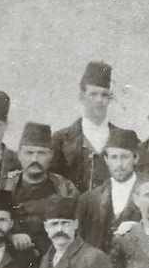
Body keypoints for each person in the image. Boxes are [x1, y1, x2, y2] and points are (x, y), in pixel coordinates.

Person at [0, 121, 79, 264]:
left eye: (41, 153)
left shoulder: (65, 188)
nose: (34, 159)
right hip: (12, 261)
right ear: (19, 155)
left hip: (55, 260)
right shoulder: (5, 186)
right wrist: (10, 236)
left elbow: (80, 226)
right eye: (29, 153)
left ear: (51, 156)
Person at [51, 60, 125, 192]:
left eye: (104, 95)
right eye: (93, 94)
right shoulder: (60, 140)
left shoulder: (123, 139)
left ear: (110, 99)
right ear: (82, 97)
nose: (99, 100)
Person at [74, 127, 142, 253]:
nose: (119, 164)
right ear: (106, 160)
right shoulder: (88, 200)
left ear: (136, 158)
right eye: (114, 157)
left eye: (125, 157)